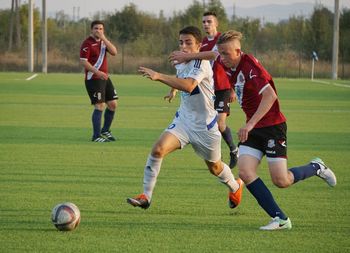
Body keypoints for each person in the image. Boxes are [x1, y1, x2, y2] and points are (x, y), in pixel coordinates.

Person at [216, 30, 337, 230]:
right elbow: (213, 58)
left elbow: (270, 96)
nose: (222, 57)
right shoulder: (226, 64)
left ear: (238, 51)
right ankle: (280, 219)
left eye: (226, 53)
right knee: (245, 172)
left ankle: (316, 167)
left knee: (281, 180)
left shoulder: (250, 66)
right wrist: (231, 91)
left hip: (272, 127)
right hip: (253, 129)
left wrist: (249, 124)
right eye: (221, 53)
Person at [127, 26, 243, 210]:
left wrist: (158, 76)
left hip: (205, 127)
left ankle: (236, 186)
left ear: (199, 45)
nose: (183, 46)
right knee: (158, 150)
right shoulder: (180, 61)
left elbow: (189, 85)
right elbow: (181, 77)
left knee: (215, 168)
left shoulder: (202, 64)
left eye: (188, 42)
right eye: (181, 42)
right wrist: (173, 89)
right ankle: (145, 196)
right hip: (184, 121)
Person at [169, 12, 238, 169]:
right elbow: (184, 69)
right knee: (212, 124)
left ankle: (233, 150)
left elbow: (224, 59)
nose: (206, 24)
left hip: (223, 87)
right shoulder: (200, 43)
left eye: (209, 21)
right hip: (207, 90)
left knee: (220, 124)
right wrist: (174, 88)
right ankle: (215, 159)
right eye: (204, 22)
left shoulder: (222, 41)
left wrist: (233, 89)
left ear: (216, 23)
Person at [80, 20, 118, 142]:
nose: (99, 31)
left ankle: (105, 130)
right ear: (91, 30)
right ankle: (96, 136)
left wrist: (104, 39)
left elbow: (114, 52)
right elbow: (83, 62)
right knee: (99, 105)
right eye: (96, 28)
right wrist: (98, 72)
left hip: (104, 78)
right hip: (93, 79)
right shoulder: (87, 43)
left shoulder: (103, 42)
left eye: (101, 29)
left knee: (113, 104)